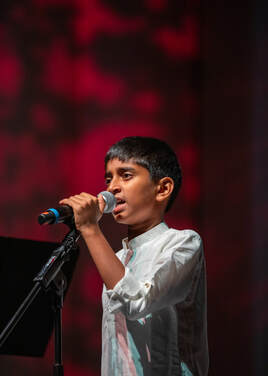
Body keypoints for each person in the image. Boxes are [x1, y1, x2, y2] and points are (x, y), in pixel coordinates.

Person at [60, 136, 209, 376]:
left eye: (125, 175)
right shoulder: (117, 258)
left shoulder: (184, 243)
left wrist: (90, 229)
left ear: (162, 189)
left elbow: (137, 302)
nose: (111, 187)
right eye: (108, 178)